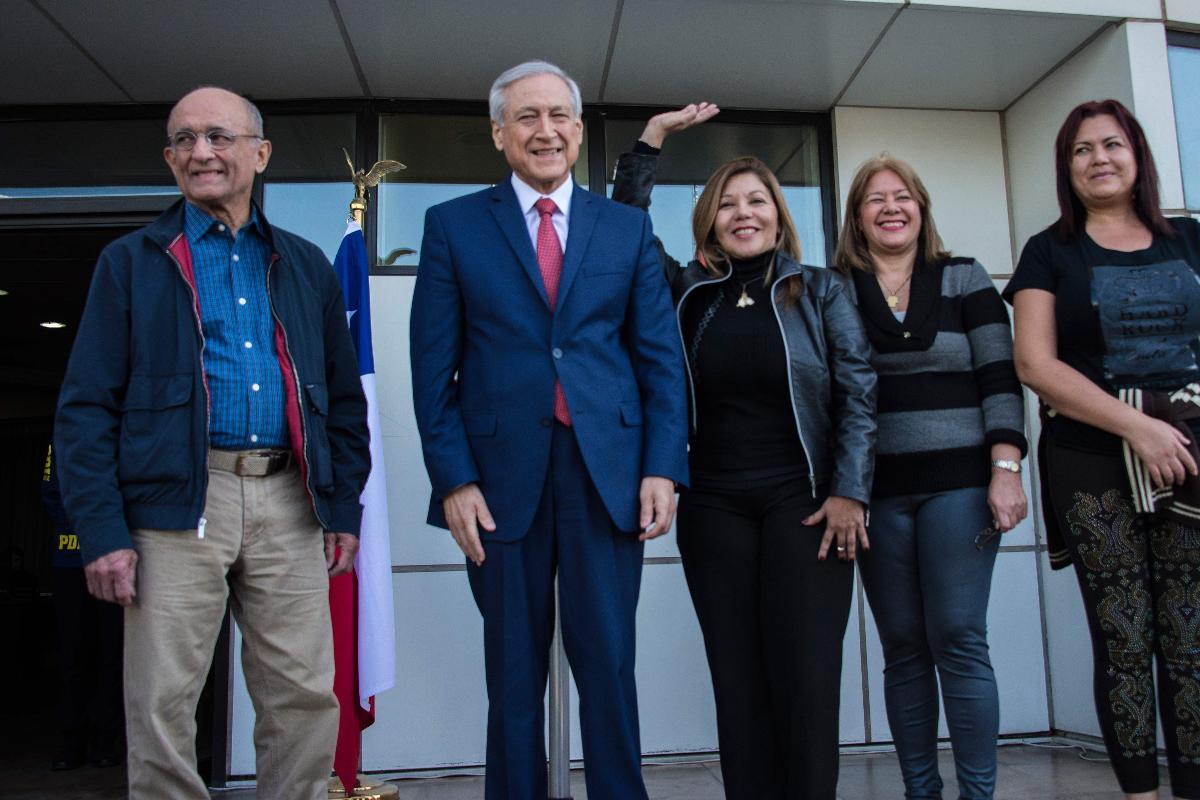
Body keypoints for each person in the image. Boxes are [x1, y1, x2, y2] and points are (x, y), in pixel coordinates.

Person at [54, 86, 370, 800]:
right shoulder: (131, 261)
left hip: (291, 499)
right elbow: (84, 408)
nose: (202, 152)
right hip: (175, 502)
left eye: (220, 137)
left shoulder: (306, 263)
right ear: (169, 159)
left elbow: (344, 404)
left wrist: (341, 507)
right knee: (163, 704)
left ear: (259, 154)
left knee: (303, 698)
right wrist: (101, 530)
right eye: (186, 140)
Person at [409, 62, 688, 800]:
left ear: (577, 127)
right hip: (498, 484)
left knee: (609, 666)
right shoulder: (452, 226)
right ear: (500, 134)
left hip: (609, 475)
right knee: (513, 674)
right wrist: (454, 482)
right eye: (526, 117)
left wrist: (663, 465)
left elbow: (660, 358)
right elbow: (431, 374)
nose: (546, 130)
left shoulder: (625, 228)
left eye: (559, 115)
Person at [611, 106, 876, 799]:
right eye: (727, 204)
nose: (743, 213)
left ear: (779, 214)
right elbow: (627, 233)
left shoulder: (821, 289)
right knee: (738, 680)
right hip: (715, 506)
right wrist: (651, 143)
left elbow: (858, 394)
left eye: (756, 200)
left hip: (807, 504)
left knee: (806, 678)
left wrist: (850, 491)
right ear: (710, 220)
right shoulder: (688, 295)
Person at [1006, 99, 1200, 800]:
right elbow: (1034, 363)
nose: (1099, 159)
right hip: (1091, 458)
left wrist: (1172, 427)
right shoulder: (1049, 250)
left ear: (1137, 155)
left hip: (1190, 461)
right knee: (1124, 635)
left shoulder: (1188, 239)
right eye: (1081, 150)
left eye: (1111, 145)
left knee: (1191, 637)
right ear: (1068, 169)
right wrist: (1136, 425)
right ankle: (1141, 794)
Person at [835, 154, 1028, 799]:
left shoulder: (964, 277)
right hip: (875, 494)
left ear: (921, 208)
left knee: (958, 635)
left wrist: (1006, 469)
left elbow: (1000, 378)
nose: (891, 207)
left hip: (962, 487)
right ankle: (922, 791)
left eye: (903, 196)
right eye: (874, 199)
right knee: (903, 647)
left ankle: (978, 794)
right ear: (857, 217)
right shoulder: (836, 287)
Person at [41, 443, 123, 771]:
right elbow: (50, 492)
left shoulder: (125, 430)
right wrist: (90, 532)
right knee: (72, 655)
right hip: (70, 559)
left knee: (112, 655)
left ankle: (105, 743)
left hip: (119, 561)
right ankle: (71, 741)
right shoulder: (61, 438)